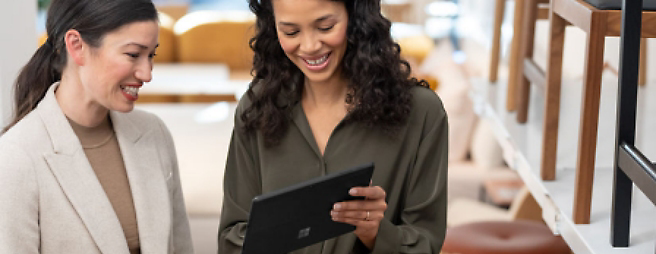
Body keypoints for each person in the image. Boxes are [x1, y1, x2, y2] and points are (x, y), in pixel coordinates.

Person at [218, 0, 448, 253]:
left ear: (356, 17)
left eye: (325, 27)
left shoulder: (422, 112)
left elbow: (425, 243)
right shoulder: (257, 106)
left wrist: (376, 233)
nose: (309, 46)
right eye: (291, 32)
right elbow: (232, 237)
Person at [0, 0, 194, 253]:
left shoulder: (154, 133)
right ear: (77, 46)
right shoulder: (17, 156)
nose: (147, 74)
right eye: (133, 55)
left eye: (151, 56)